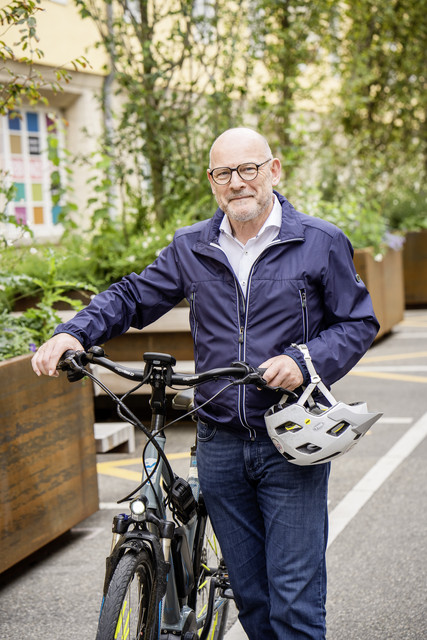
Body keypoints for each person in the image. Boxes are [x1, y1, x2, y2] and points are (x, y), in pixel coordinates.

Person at [32, 127, 379, 639]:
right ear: (212, 183)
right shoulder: (191, 246)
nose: (237, 182)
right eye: (223, 173)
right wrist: (71, 333)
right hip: (218, 442)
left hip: (289, 439)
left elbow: (357, 323)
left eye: (249, 169)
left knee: (295, 602)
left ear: (273, 170)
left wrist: (304, 361)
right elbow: (132, 296)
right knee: (254, 601)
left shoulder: (319, 241)